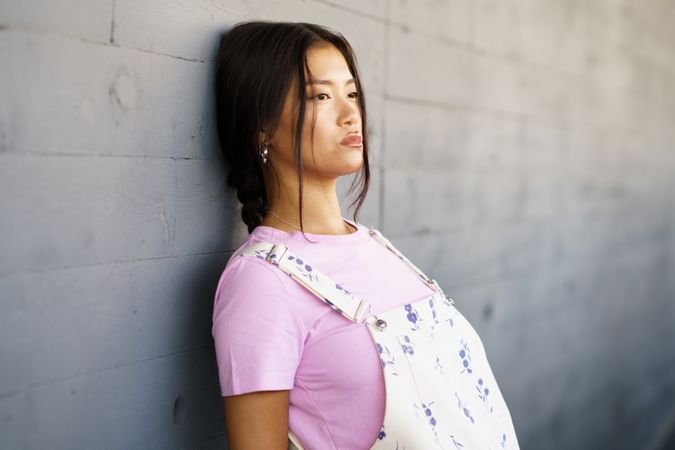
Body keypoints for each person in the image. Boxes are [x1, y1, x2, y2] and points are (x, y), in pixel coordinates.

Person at [212, 20, 520, 450]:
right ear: (259, 128)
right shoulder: (261, 282)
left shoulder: (377, 246)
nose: (349, 113)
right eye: (320, 95)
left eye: (351, 93)